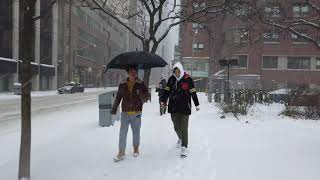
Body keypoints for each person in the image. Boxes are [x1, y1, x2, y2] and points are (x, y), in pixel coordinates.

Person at [160, 62, 200, 157]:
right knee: (176, 127)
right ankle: (180, 138)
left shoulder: (188, 79)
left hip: (185, 107)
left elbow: (193, 92)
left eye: (178, 71)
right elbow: (166, 91)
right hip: (173, 107)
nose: (177, 73)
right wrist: (163, 101)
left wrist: (196, 104)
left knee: (184, 127)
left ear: (181, 71)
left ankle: (184, 147)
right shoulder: (171, 79)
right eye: (175, 72)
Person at [111, 66, 149, 162]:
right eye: (131, 72)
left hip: (136, 113)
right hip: (125, 113)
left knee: (136, 132)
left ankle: (136, 149)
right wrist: (114, 108)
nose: (133, 73)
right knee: (122, 133)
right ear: (128, 73)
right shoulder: (123, 84)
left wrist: (141, 95)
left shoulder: (140, 83)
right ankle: (121, 152)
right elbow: (118, 97)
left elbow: (146, 96)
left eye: (135, 72)